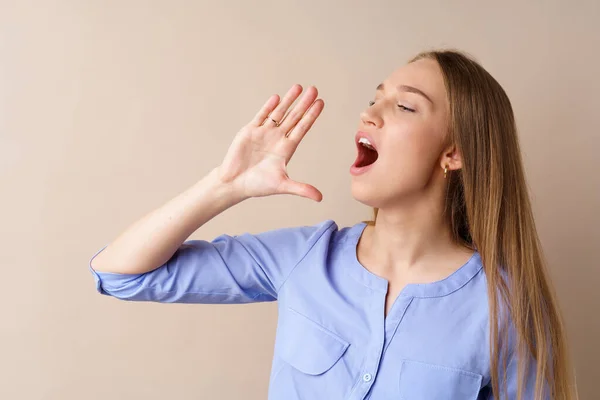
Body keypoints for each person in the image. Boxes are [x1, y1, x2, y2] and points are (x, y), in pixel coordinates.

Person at [89, 49, 575, 400]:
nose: (369, 113)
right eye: (375, 98)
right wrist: (226, 185)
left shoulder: (507, 310)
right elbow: (121, 273)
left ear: (454, 152)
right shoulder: (304, 257)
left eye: (404, 106)